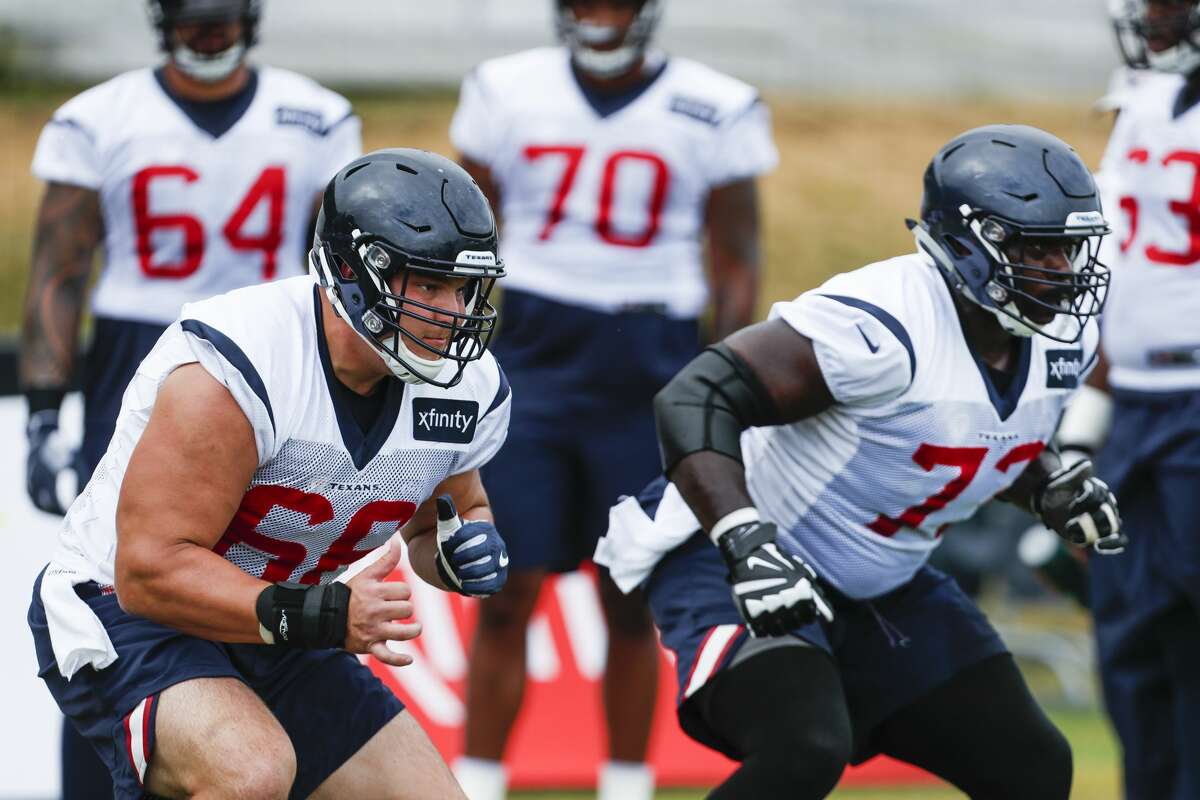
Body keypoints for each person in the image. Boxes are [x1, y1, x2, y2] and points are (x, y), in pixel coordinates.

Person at [595, 125, 1126, 799]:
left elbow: (975, 436)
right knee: (803, 744)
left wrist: (1048, 484)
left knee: (1030, 765)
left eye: (1069, 248)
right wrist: (747, 543)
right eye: (1035, 247)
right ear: (966, 243)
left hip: (882, 576)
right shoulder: (887, 322)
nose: (1060, 269)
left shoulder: (1063, 336)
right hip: (739, 546)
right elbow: (694, 397)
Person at [27, 149, 512, 799]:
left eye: (461, 288)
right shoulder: (243, 365)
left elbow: (446, 518)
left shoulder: (465, 388)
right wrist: (326, 614)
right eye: (426, 285)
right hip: (124, 609)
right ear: (349, 270)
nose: (451, 312)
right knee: (249, 770)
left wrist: (462, 547)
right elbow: (148, 571)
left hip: (281, 615)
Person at [20, 4, 359, 791]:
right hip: (139, 348)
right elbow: (59, 271)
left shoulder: (316, 117)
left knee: (238, 573)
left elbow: (340, 268)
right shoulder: (98, 116)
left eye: (221, 14)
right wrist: (44, 408)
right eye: (192, 15)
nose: (208, 31)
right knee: (107, 592)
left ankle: (237, 760)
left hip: (276, 360)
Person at [447, 2, 776, 797]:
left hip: (649, 360)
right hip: (530, 351)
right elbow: (466, 236)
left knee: (630, 592)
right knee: (502, 585)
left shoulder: (715, 103)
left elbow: (735, 259)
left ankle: (626, 784)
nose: (601, 16)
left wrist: (715, 381)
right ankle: (475, 782)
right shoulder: (504, 89)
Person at [1054, 3, 1200, 797]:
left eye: (1172, 2)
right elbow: (1113, 281)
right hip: (1136, 407)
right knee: (1131, 635)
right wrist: (1081, 433)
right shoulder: (1139, 100)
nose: (1153, 18)